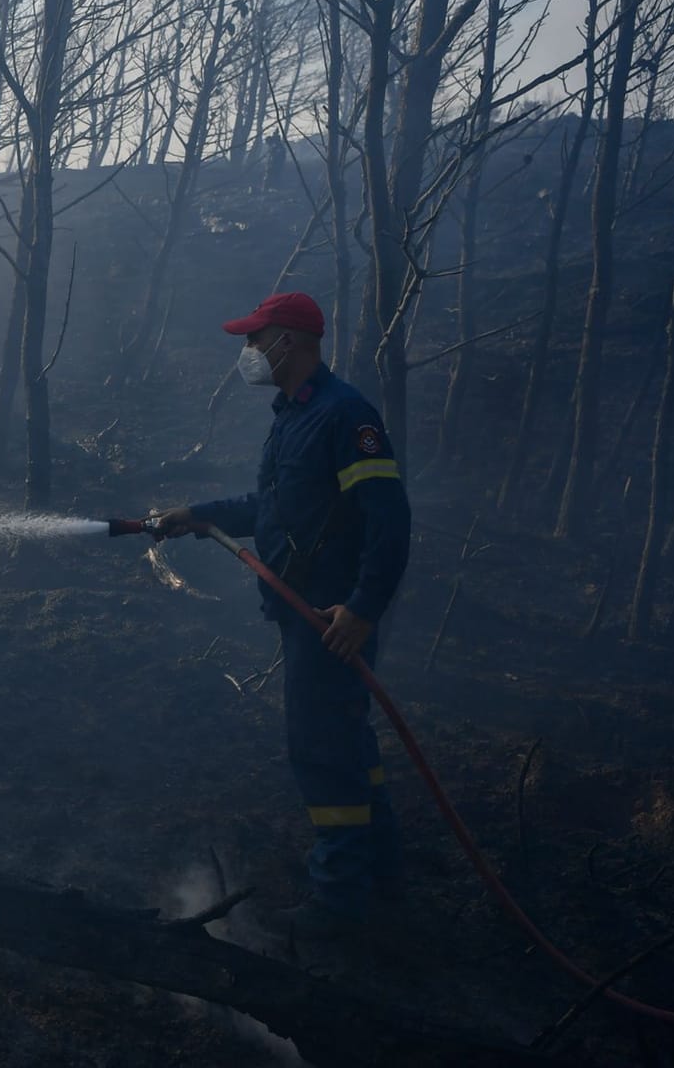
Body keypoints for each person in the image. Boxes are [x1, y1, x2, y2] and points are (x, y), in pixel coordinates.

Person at [154, 291, 411, 940]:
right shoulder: (295, 416)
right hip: (309, 616)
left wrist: (361, 608)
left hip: (330, 621)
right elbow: (273, 507)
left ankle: (338, 899)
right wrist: (201, 513)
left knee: (321, 749)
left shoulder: (343, 415)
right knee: (348, 738)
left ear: (287, 342)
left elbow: (390, 518)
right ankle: (383, 871)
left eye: (253, 339)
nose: (246, 352)